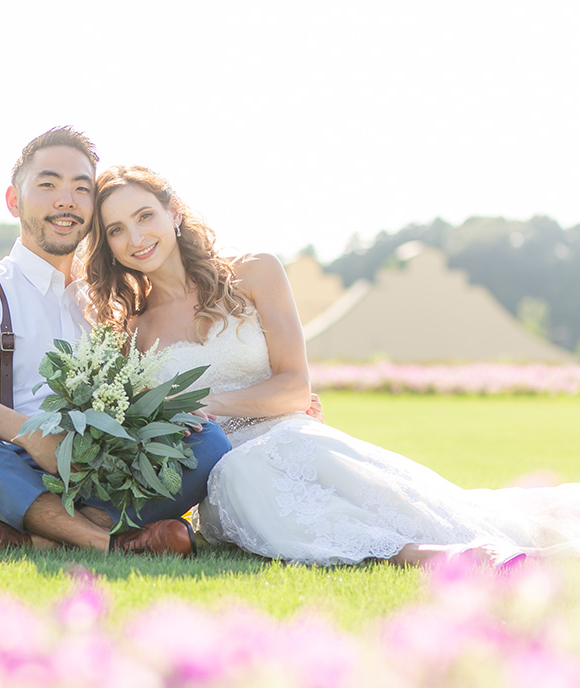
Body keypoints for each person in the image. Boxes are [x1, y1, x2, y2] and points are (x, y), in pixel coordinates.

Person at [83, 164, 580, 567]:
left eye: (144, 215)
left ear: (173, 212)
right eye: (117, 230)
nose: (136, 237)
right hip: (218, 470)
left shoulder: (254, 273)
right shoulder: (134, 331)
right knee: (241, 478)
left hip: (289, 435)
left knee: (411, 505)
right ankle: (441, 559)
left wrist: (208, 403)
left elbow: (296, 388)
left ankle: (480, 545)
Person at [0, 129, 232, 556]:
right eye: (47, 185)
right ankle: (108, 542)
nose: (66, 200)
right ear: (14, 201)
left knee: (209, 440)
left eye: (81, 188)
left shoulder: (108, 301)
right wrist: (30, 437)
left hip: (98, 479)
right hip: (6, 471)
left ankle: (36, 537)